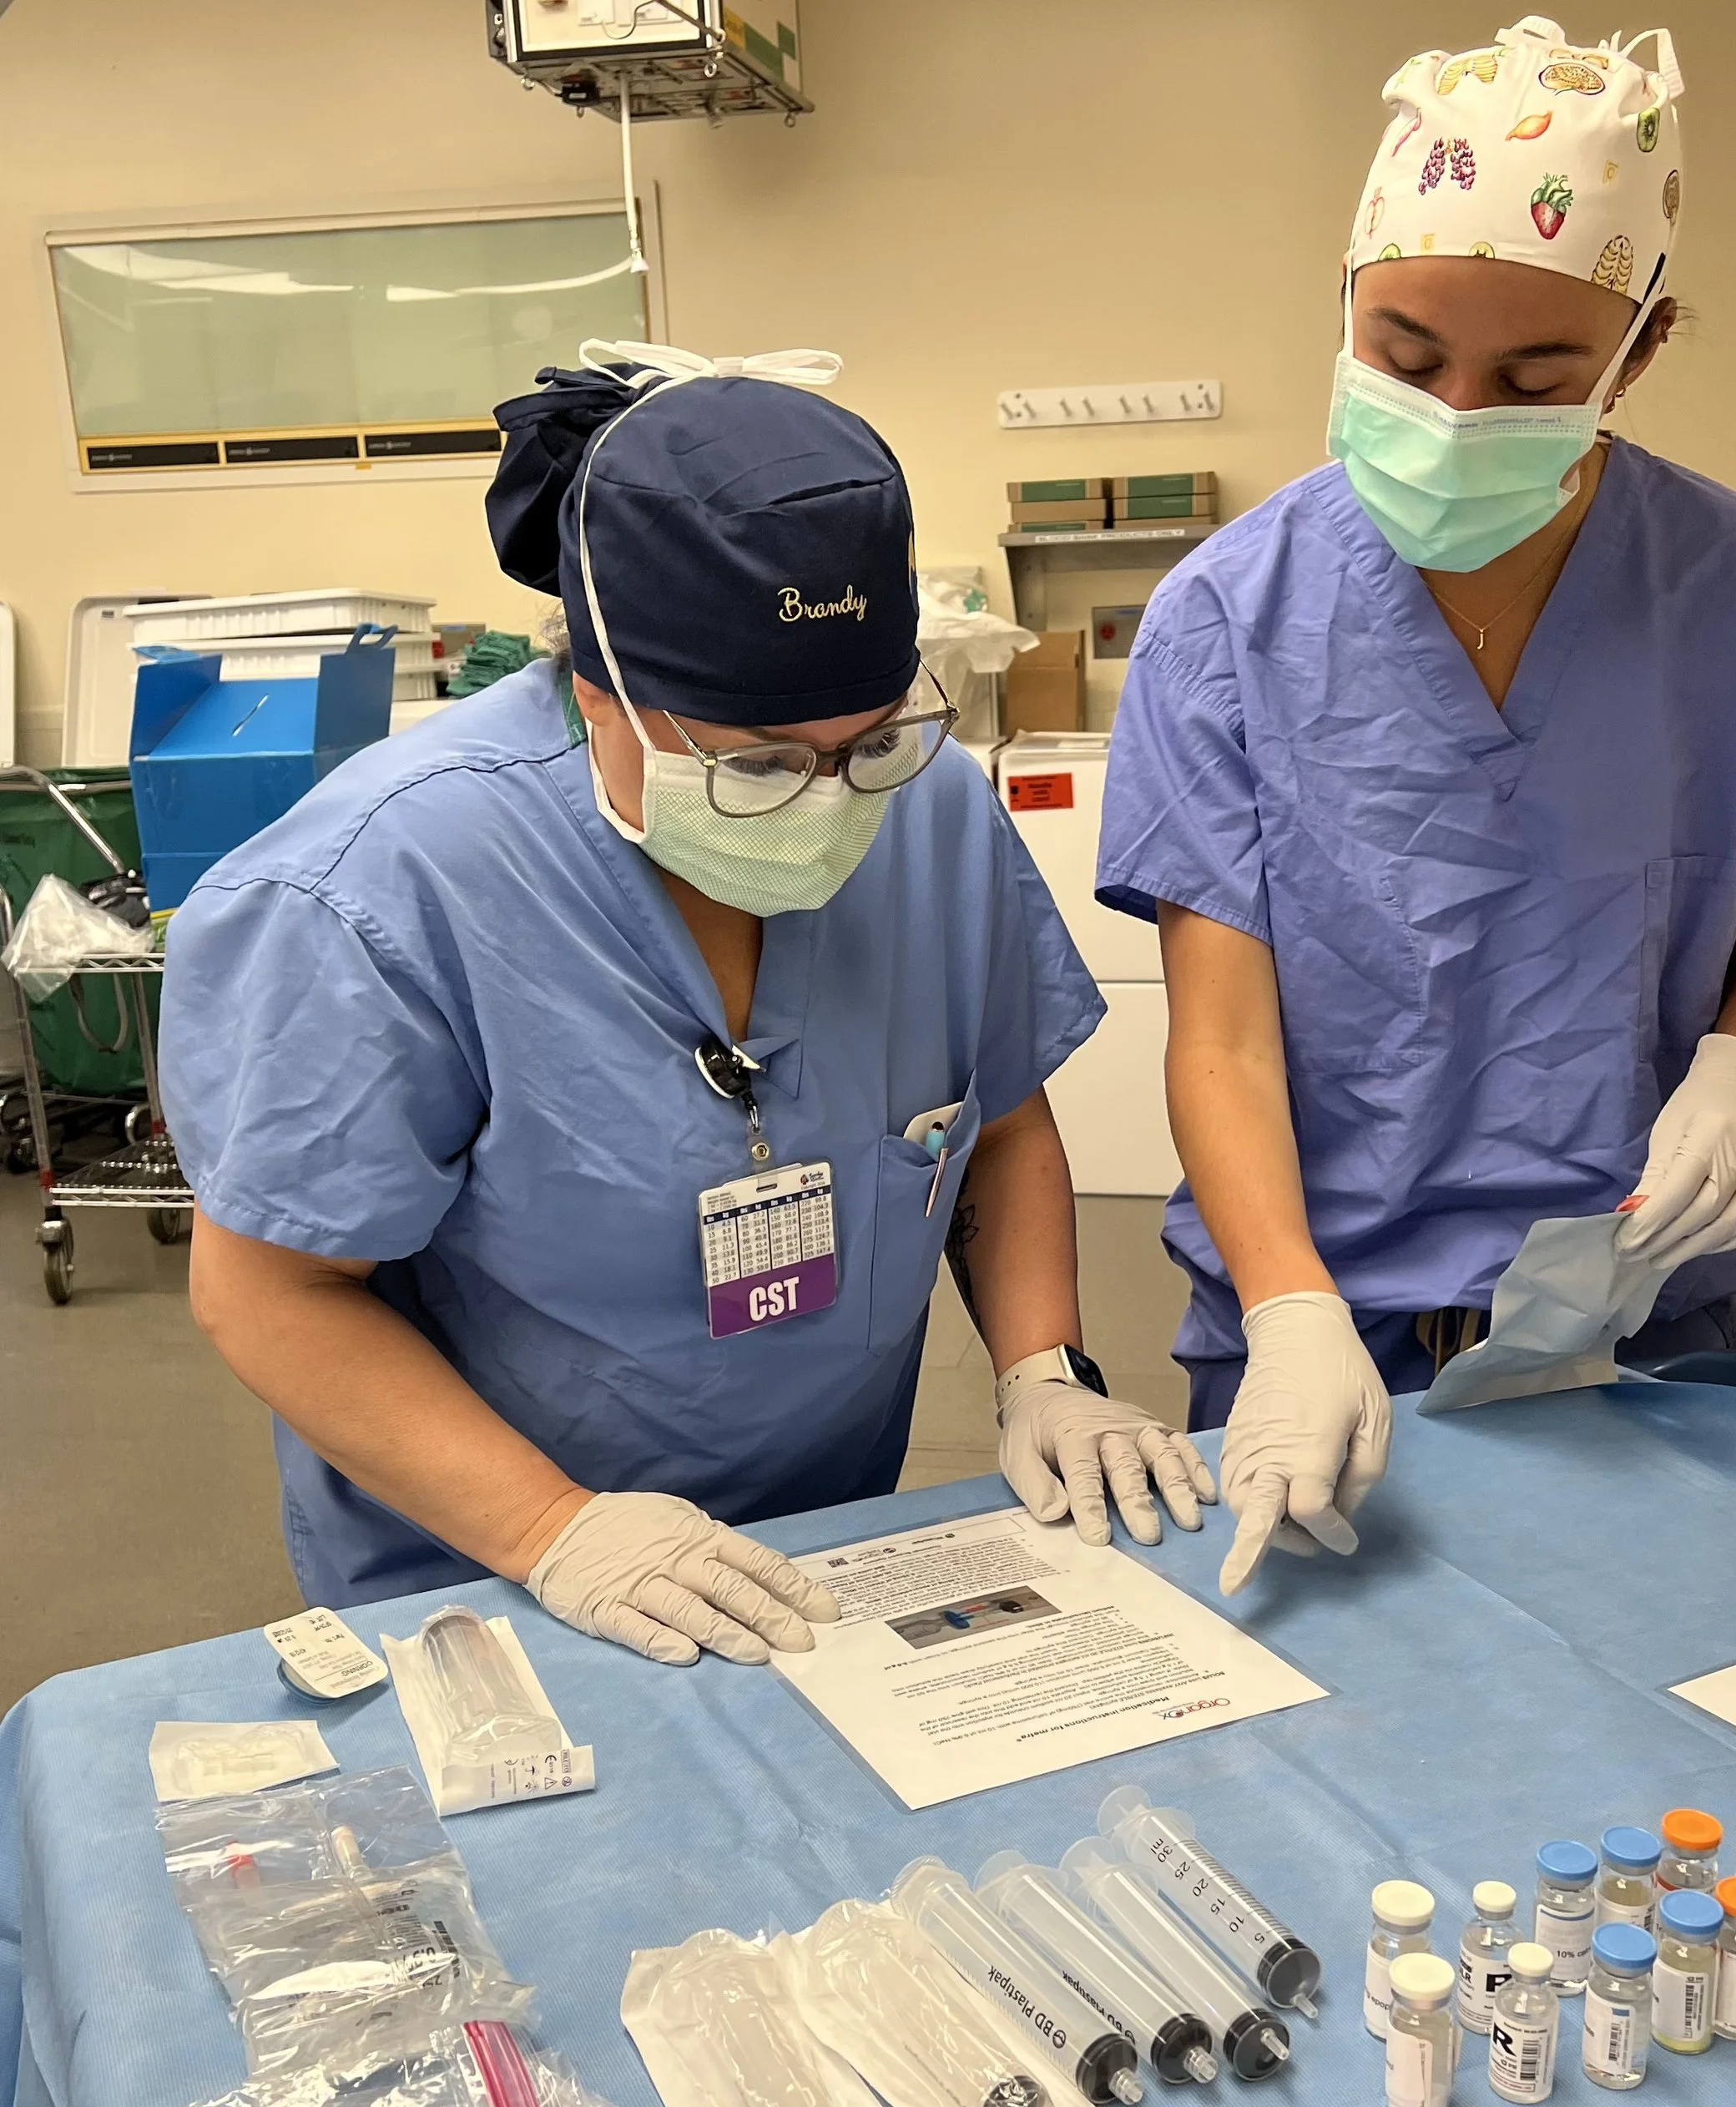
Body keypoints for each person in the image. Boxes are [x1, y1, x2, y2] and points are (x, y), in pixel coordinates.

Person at [161, 346, 1211, 1667]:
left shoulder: (929, 814)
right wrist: (557, 1530)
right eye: (759, 763)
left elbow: (996, 1125)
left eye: (871, 739)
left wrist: (1043, 1372)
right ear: (599, 693)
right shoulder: (378, 892)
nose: (834, 800)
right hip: (494, 1568)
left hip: (830, 1547)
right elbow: (269, 1291)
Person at [1095, 18, 1736, 1593]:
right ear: (1344, 304)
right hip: (1323, 1318)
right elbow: (1223, 1034)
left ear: (1639, 352)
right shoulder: (1231, 620)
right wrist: (1288, 1309)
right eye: (1402, 353)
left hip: (1636, 1326)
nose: (1456, 412)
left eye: (1534, 376)